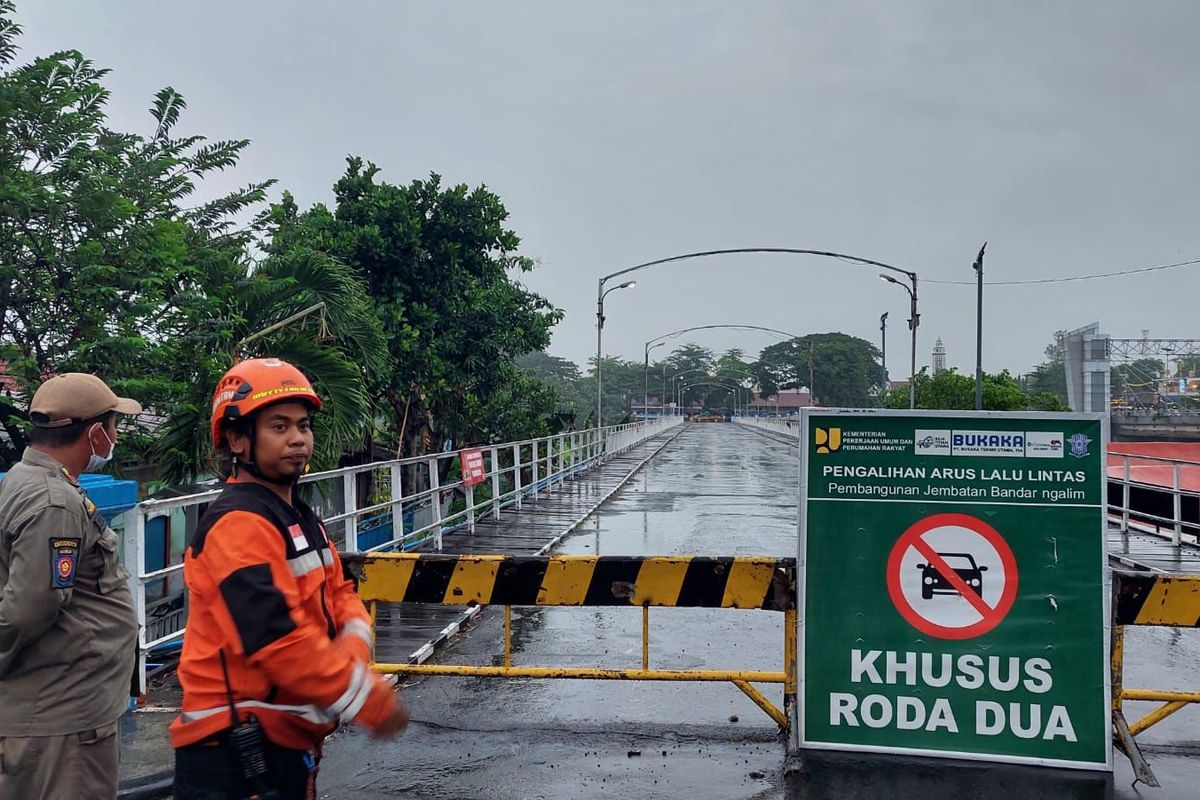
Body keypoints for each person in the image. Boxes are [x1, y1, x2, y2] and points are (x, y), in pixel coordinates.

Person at [171, 358, 409, 799]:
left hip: (284, 744)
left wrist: (352, 651)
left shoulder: (297, 517)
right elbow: (276, 637)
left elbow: (341, 594)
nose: (298, 439)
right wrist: (362, 695)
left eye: (303, 426)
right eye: (279, 427)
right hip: (231, 754)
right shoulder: (237, 524)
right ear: (239, 439)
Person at [0, 373, 142, 800]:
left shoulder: (25, 479)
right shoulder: (53, 502)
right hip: (63, 722)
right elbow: (28, 609)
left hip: (63, 712)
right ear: (95, 432)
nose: (115, 436)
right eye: (113, 425)